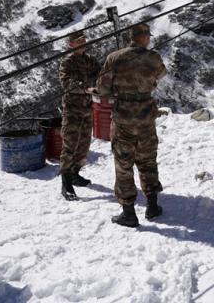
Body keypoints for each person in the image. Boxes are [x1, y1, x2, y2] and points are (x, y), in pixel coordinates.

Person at [95, 23, 167, 227]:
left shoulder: (114, 57)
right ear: (145, 38)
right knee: (148, 161)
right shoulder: (153, 57)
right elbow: (161, 74)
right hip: (145, 116)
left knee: (123, 164)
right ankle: (152, 206)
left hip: (123, 118)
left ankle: (129, 212)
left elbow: (102, 88)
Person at [58, 30, 101, 201]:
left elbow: (101, 74)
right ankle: (66, 182)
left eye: (83, 39)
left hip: (87, 108)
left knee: (83, 145)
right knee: (69, 145)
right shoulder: (67, 62)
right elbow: (67, 83)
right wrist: (86, 88)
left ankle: (75, 173)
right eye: (78, 40)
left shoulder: (90, 60)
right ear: (71, 44)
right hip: (73, 109)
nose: (82, 41)